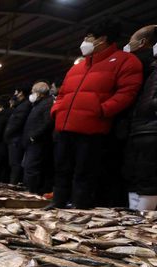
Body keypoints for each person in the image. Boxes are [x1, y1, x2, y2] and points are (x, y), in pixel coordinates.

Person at [50, 18, 143, 209]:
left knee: (85, 170)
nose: (85, 41)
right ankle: (58, 202)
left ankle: (80, 207)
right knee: (61, 168)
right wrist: (56, 111)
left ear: (103, 39)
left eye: (89, 37)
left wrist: (102, 110)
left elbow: (127, 92)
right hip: (65, 126)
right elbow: (62, 93)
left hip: (92, 128)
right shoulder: (78, 66)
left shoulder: (126, 61)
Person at [123, 25, 157, 210]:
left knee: (148, 178)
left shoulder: (144, 66)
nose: (128, 47)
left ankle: (143, 226)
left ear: (143, 42)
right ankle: (134, 220)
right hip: (140, 128)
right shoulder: (148, 67)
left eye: (131, 42)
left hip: (150, 128)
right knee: (135, 176)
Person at [22, 82, 55, 194]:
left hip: (38, 142)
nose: (31, 94)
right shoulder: (39, 104)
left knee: (32, 168)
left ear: (40, 93)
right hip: (33, 142)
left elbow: (48, 123)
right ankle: (32, 190)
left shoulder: (47, 104)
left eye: (33, 91)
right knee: (30, 167)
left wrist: (33, 136)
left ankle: (33, 193)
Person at [3, 86, 31, 185]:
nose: (15, 94)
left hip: (16, 140)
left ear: (21, 93)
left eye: (16, 92)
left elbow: (16, 124)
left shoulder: (24, 105)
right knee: (14, 164)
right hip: (14, 139)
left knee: (15, 165)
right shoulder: (20, 106)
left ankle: (14, 186)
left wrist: (7, 134)